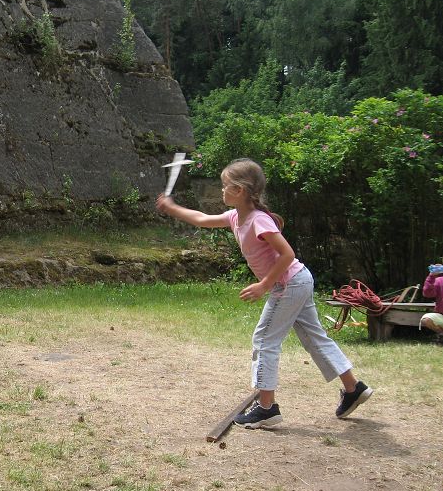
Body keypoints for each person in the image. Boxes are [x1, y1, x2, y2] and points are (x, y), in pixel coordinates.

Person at [156, 157, 372, 429]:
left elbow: (287, 253)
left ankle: (267, 408)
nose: (221, 190)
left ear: (240, 190)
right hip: (298, 281)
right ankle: (353, 388)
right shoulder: (236, 217)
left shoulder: (259, 220)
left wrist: (265, 284)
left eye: (225, 185)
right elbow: (201, 219)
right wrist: (172, 208)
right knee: (314, 337)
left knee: (265, 339)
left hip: (289, 284)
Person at [420, 264, 443, 345]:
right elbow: (427, 294)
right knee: (426, 319)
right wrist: (431, 276)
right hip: (441, 315)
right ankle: (442, 335)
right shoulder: (439, 280)